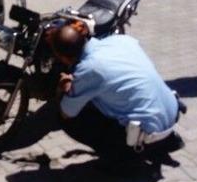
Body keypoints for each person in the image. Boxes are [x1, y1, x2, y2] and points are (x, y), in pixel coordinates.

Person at [50, 20, 185, 167]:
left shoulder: (90, 69)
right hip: (171, 115)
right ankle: (164, 141)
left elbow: (66, 112)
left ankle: (125, 160)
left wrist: (63, 87)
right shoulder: (120, 40)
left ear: (63, 57)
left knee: (68, 117)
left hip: (147, 133)